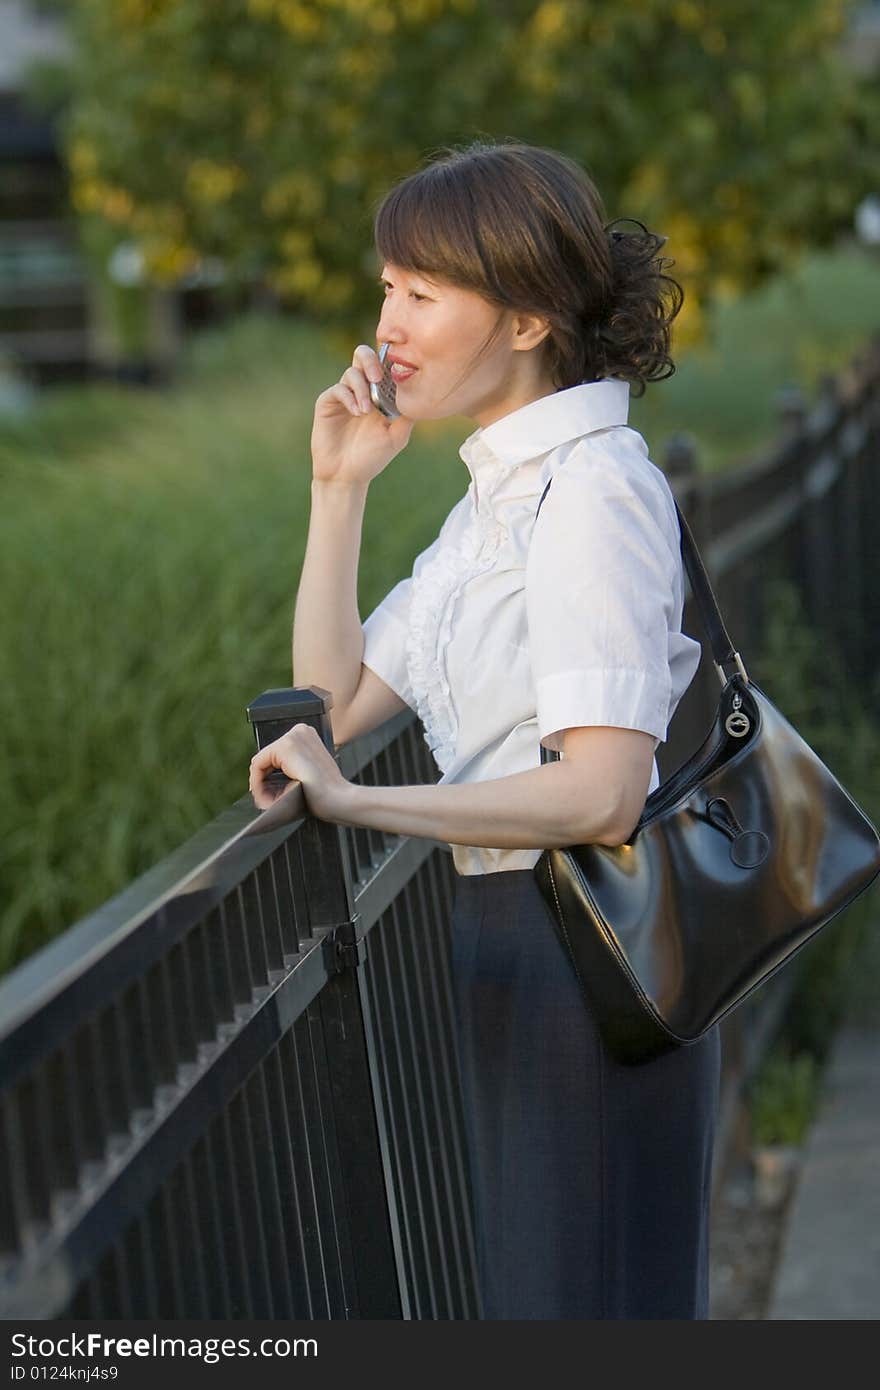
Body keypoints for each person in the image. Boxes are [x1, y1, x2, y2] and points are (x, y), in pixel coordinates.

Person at [248, 139, 722, 1320]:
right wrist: (339, 488)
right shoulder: (496, 501)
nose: (386, 324)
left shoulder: (591, 489)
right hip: (515, 931)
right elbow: (339, 700)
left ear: (523, 319)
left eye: (421, 291)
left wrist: (357, 802)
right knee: (543, 1292)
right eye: (386, 287)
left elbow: (599, 792)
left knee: (578, 1294)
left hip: (587, 943)